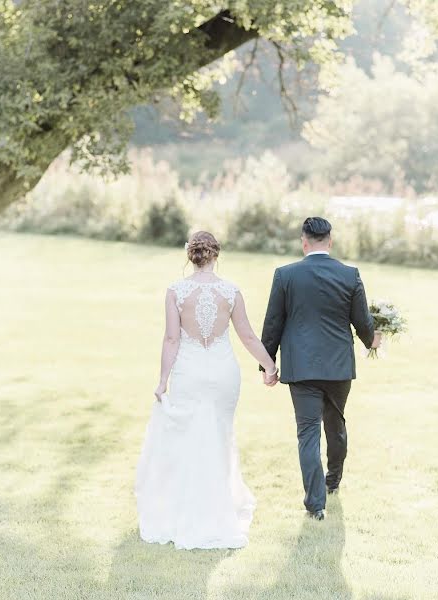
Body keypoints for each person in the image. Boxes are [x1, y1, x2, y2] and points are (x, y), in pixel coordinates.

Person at [135, 231, 278, 550]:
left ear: (191, 255)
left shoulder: (176, 291)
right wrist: (269, 366)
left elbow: (172, 339)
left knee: (188, 438)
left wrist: (162, 380)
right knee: (218, 436)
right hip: (223, 371)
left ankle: (187, 509)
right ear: (216, 255)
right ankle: (217, 507)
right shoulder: (231, 291)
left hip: (189, 371)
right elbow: (248, 337)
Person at [260, 217, 381, 520]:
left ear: (304, 242)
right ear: (330, 241)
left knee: (307, 433)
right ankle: (333, 480)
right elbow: (363, 322)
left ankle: (316, 505)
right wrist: (372, 341)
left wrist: (266, 364)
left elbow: (273, 323)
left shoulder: (285, 275)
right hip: (338, 367)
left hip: (300, 367)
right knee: (336, 425)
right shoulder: (349, 275)